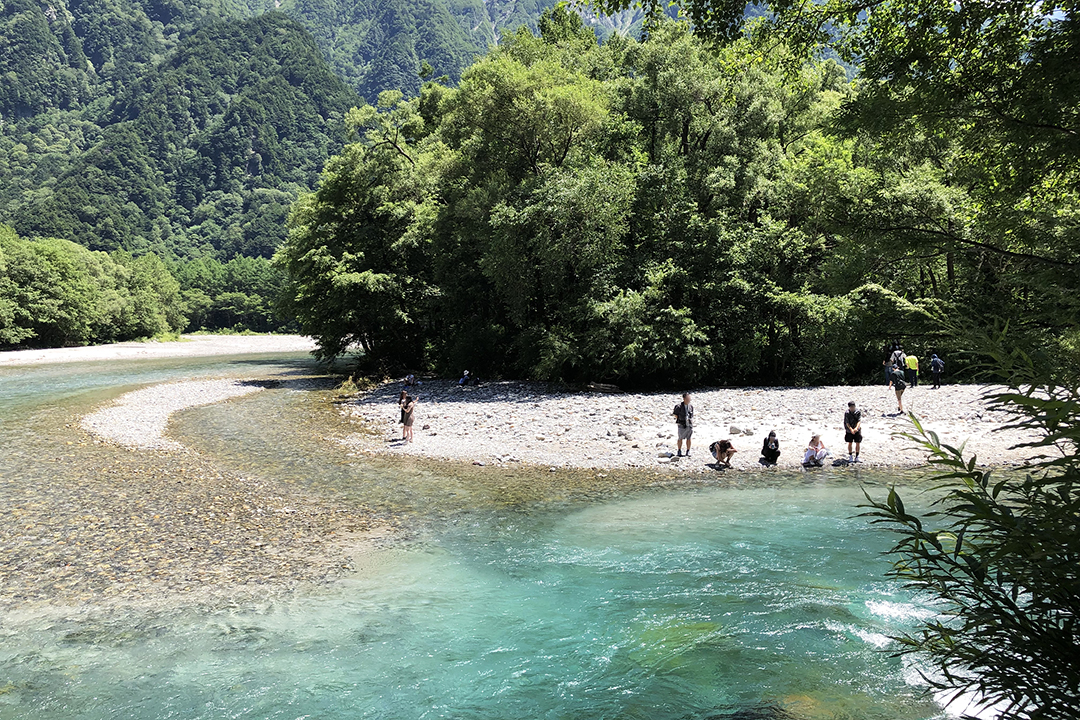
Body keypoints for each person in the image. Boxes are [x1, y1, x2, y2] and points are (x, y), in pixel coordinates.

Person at [672, 393, 694, 457]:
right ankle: (679, 450)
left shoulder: (691, 407)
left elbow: (691, 415)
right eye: (687, 398)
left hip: (689, 424)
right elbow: (675, 414)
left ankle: (688, 451)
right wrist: (681, 419)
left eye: (689, 398)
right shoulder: (678, 406)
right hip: (681, 424)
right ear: (684, 399)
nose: (689, 400)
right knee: (680, 438)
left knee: (689, 438)